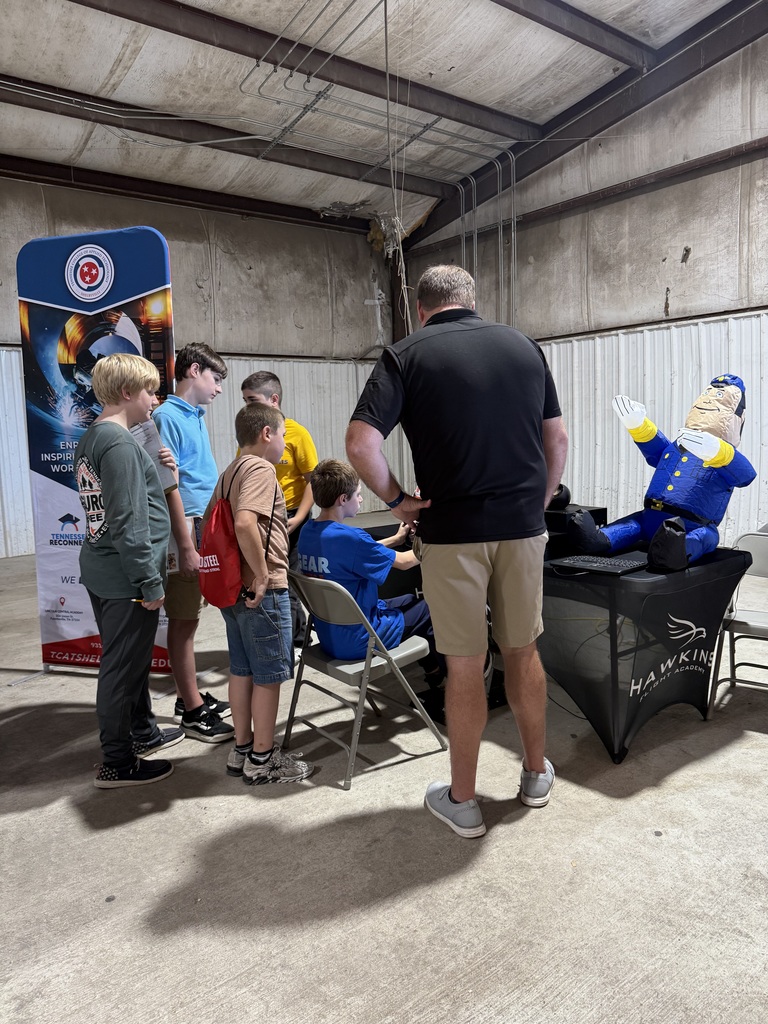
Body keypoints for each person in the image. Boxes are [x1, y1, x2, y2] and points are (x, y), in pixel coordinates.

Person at [346, 265, 569, 838]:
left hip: (451, 532)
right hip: (521, 528)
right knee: (523, 647)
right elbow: (557, 440)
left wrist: (398, 500)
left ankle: (464, 801)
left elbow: (361, 444)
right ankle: (537, 774)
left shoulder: (405, 355)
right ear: (473, 300)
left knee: (465, 661)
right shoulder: (524, 348)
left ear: (421, 309)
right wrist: (536, 504)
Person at [74, 353, 181, 788]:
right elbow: (127, 520)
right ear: (126, 393)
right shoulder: (117, 444)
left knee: (131, 662)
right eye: (150, 392)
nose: (155, 401)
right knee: (121, 668)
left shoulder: (95, 437)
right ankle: (117, 761)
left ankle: (141, 732)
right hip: (125, 577)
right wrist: (149, 580)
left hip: (106, 571)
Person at [203, 403, 314, 785]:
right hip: (258, 592)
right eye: (282, 434)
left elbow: (212, 524)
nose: (285, 443)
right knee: (269, 674)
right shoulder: (261, 469)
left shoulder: (228, 472)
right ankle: (263, 760)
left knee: (242, 668)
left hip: (234, 590)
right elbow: (245, 521)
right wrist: (264, 575)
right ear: (267, 433)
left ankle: (243, 748)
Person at [152, 343, 234, 743]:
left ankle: (190, 697)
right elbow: (170, 486)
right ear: (194, 371)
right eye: (215, 380)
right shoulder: (167, 416)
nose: (218, 389)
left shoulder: (193, 415)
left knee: (193, 617)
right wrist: (186, 545)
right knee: (183, 622)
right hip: (186, 529)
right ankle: (191, 712)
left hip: (203, 525)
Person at [297, 459, 444, 680]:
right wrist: (437, 540)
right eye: (358, 494)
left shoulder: (309, 532)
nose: (361, 498)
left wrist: (395, 539)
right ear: (343, 499)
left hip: (330, 636)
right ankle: (442, 678)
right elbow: (406, 562)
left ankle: (433, 671)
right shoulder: (352, 538)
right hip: (361, 638)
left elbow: (353, 555)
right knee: (430, 608)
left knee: (406, 599)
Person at [241, 372, 319, 649]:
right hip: (263, 519)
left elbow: (313, 480)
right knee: (270, 579)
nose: (247, 406)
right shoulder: (252, 438)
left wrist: (298, 518)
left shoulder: (297, 434)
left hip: (292, 517)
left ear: (273, 400)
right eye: (245, 400)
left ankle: (298, 641)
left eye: (252, 400)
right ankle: (277, 636)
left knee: (291, 580)